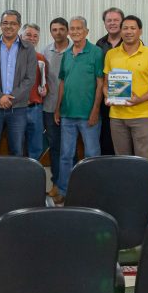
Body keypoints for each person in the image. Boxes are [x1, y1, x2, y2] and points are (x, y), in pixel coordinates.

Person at [55, 16, 104, 200]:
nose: (75, 31)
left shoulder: (96, 52)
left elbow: (100, 84)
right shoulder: (67, 54)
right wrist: (58, 108)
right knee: (66, 156)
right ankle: (63, 192)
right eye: (72, 28)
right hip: (67, 114)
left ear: (86, 31)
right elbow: (62, 82)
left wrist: (95, 111)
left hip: (88, 115)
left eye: (79, 28)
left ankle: (93, 193)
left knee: (92, 156)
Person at [103, 15, 148, 159]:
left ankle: (144, 183)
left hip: (142, 116)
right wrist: (108, 96)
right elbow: (105, 84)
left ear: (140, 31)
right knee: (122, 160)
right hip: (116, 117)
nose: (128, 31)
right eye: (125, 28)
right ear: (120, 31)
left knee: (144, 160)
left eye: (132, 28)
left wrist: (139, 100)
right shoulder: (111, 54)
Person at [0, 10, 36, 156]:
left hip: (18, 108)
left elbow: (30, 78)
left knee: (17, 149)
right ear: (0, 25)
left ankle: (16, 179)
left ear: (19, 26)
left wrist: (11, 97)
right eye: (5, 23)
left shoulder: (28, 49)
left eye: (13, 23)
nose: (9, 26)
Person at [42, 18, 70, 190]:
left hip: (71, 109)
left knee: (70, 150)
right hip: (50, 108)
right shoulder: (46, 51)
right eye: (54, 29)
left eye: (61, 29)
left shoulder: (75, 50)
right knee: (55, 147)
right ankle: (56, 184)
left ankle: (70, 186)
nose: (58, 32)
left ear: (67, 31)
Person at [95, 7, 124, 155]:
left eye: (116, 20)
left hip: (127, 99)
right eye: (109, 20)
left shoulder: (132, 41)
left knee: (124, 141)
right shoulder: (99, 44)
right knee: (105, 137)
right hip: (104, 99)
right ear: (105, 23)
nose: (112, 23)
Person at [20, 23, 49, 162]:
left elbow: (44, 82)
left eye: (35, 36)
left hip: (35, 109)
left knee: (36, 147)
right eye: (28, 35)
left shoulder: (41, 58)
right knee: (17, 146)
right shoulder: (10, 56)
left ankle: (33, 177)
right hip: (16, 109)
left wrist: (45, 89)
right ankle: (17, 177)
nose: (32, 38)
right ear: (21, 36)